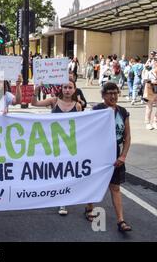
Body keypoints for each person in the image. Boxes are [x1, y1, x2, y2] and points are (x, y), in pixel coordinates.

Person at [31, 79, 82, 216]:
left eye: (70, 87)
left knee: (65, 172)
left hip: (69, 144)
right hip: (53, 143)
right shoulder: (53, 101)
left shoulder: (77, 106)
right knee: (55, 171)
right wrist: (37, 89)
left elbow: (82, 125)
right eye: (65, 87)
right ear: (61, 88)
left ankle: (62, 201)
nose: (67, 90)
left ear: (74, 89)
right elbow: (34, 103)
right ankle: (52, 193)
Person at [87, 82, 132, 232]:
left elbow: (127, 136)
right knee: (95, 183)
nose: (113, 96)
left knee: (115, 187)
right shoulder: (97, 110)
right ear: (103, 95)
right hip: (99, 154)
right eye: (109, 93)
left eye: (115, 93)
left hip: (116, 155)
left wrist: (123, 156)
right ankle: (89, 207)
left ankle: (121, 221)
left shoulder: (123, 112)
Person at [143, 63, 157, 130]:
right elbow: (144, 80)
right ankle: (147, 123)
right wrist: (151, 81)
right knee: (149, 108)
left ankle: (155, 122)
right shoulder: (149, 73)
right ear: (155, 66)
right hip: (150, 92)